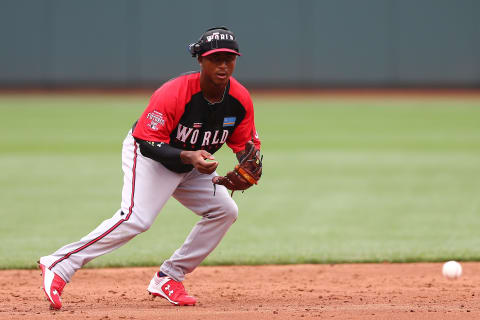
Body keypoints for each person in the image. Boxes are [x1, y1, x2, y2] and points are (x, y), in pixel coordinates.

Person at [38, 26, 261, 309]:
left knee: (225, 210)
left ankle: (169, 277)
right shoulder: (174, 92)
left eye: (229, 58)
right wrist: (190, 158)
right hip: (150, 156)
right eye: (215, 58)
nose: (223, 65)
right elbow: (147, 143)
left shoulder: (239, 100)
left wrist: (251, 167)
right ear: (200, 60)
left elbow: (246, 148)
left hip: (190, 166)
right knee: (136, 218)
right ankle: (59, 264)